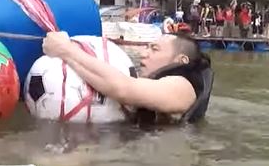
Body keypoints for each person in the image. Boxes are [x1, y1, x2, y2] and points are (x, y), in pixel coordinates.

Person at [42, 30, 213, 125]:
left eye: (154, 49)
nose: (143, 54)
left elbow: (122, 89)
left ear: (181, 61)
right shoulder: (158, 83)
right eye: (146, 47)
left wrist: (66, 50)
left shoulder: (183, 86)